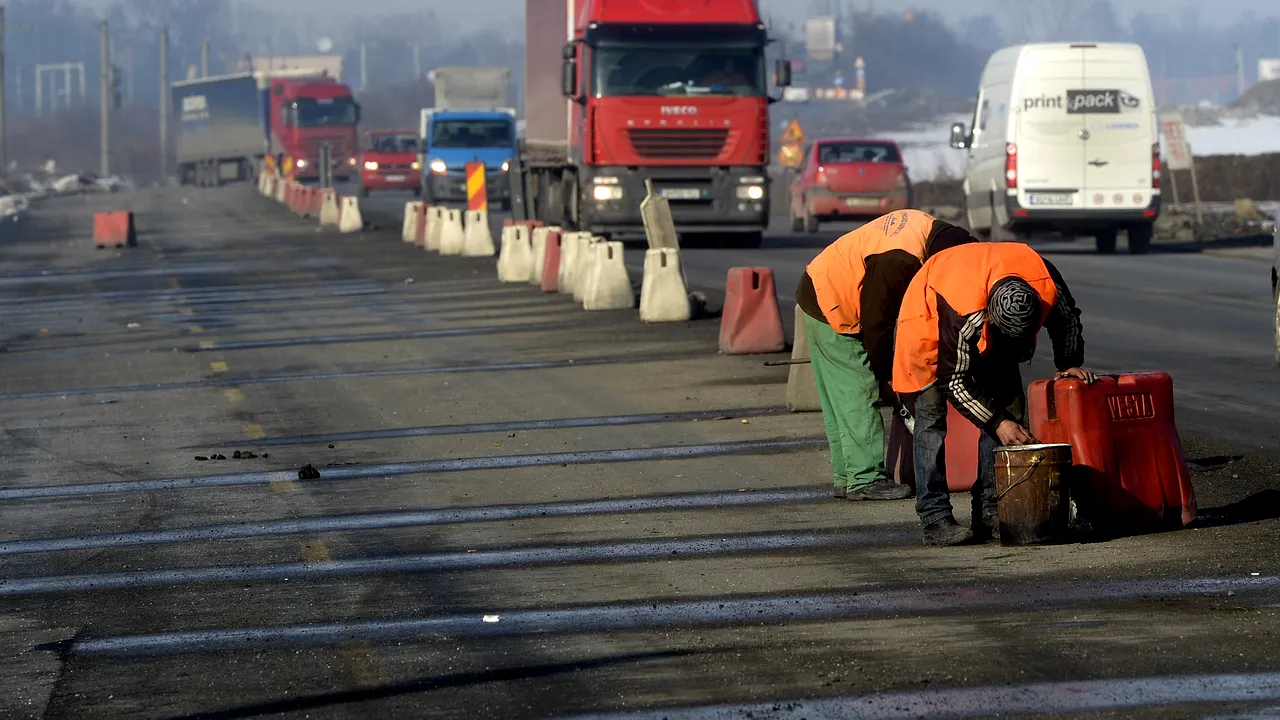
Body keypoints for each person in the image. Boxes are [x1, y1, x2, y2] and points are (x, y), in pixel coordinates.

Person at [891, 242, 1095, 546]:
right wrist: (998, 422)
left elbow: (1066, 320)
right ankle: (935, 517)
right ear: (989, 318)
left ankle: (991, 509)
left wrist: (1068, 364)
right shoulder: (964, 315)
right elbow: (953, 381)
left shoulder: (1045, 279)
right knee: (931, 415)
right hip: (928, 313)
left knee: (1009, 404)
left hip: (978, 289)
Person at [796, 210, 976, 501]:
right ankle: (866, 479)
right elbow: (877, 324)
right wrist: (887, 376)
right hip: (833, 301)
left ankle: (847, 476)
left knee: (840, 398)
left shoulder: (925, 227)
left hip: (818, 285)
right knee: (858, 391)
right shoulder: (898, 259)